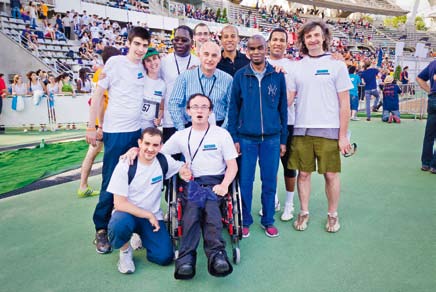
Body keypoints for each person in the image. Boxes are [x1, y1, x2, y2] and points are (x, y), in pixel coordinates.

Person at [85, 27, 150, 254]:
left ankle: (130, 227)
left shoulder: (143, 68)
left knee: (133, 182)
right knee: (111, 181)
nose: (141, 49)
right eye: (137, 44)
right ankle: (101, 229)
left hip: (136, 133)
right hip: (115, 132)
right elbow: (96, 96)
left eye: (145, 45)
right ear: (129, 43)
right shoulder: (114, 63)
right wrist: (92, 126)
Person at [287, 20, 353, 233]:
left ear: (324, 37)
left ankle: (333, 214)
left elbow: (345, 103)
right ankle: (304, 211)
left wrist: (343, 136)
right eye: (308, 37)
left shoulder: (337, 65)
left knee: (331, 175)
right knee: (303, 174)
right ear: (303, 41)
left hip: (329, 130)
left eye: (316, 35)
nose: (313, 39)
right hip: (302, 130)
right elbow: (288, 100)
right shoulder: (296, 67)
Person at [163, 94, 238, 279]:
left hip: (216, 182)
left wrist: (225, 185)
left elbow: (233, 166)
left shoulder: (222, 134)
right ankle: (186, 259)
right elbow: (160, 153)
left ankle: (217, 255)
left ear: (210, 111)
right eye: (195, 107)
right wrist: (179, 167)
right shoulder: (181, 136)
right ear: (188, 111)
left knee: (212, 210)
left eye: (204, 107)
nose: (199, 110)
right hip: (193, 182)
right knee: (192, 211)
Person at [108, 127, 191, 274]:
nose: (150, 149)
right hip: (128, 214)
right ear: (139, 143)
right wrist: (148, 215)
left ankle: (142, 235)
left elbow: (180, 167)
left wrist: (183, 171)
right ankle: (125, 253)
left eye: (155, 145)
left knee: (165, 257)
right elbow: (119, 203)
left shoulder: (163, 160)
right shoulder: (125, 164)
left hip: (152, 217)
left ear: (161, 146)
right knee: (118, 224)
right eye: (146, 144)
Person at [228, 35, 288, 238]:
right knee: (245, 182)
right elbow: (233, 109)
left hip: (271, 139)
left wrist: (283, 140)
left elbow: (283, 111)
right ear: (247, 51)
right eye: (251, 48)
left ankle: (268, 220)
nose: (256, 52)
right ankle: (245, 220)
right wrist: (234, 138)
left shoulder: (277, 76)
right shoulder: (240, 76)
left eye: (259, 48)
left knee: (270, 181)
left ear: (266, 48)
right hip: (246, 139)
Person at [260, 27, 297, 221]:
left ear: (286, 43)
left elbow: (291, 95)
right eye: (274, 39)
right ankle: (272, 200)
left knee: (289, 166)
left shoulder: (293, 66)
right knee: (269, 166)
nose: (278, 43)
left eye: (282, 40)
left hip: (287, 123)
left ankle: (289, 204)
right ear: (269, 42)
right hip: (265, 126)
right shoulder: (260, 64)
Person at [78, 47, 121, 198]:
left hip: (103, 121)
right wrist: (100, 125)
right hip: (104, 122)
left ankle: (84, 185)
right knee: (98, 154)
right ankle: (85, 186)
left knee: (94, 154)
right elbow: (101, 101)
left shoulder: (100, 73)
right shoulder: (104, 74)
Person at [169, 41, 232, 131]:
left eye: (214, 55)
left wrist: (223, 130)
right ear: (199, 55)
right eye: (206, 54)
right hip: (191, 125)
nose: (210, 59)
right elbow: (173, 104)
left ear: (219, 58)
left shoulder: (228, 80)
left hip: (218, 126)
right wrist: (182, 129)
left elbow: (231, 107)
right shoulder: (185, 77)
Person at [160, 25, 200, 142]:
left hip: (192, 119)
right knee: (171, 158)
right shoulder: (164, 61)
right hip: (170, 120)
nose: (179, 43)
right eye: (176, 40)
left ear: (192, 42)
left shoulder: (198, 62)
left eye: (184, 40)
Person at [416, 59, 436, 174]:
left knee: (429, 134)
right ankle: (434, 165)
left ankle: (426, 163)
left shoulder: (433, 63)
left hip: (433, 99)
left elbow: (419, 78)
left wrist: (430, 91)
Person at [140, 47, 165, 130]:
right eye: (148, 60)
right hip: (133, 125)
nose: (152, 63)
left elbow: (161, 107)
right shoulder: (139, 79)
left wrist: (159, 118)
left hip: (149, 128)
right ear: (144, 64)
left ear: (159, 59)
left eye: (154, 58)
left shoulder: (162, 84)